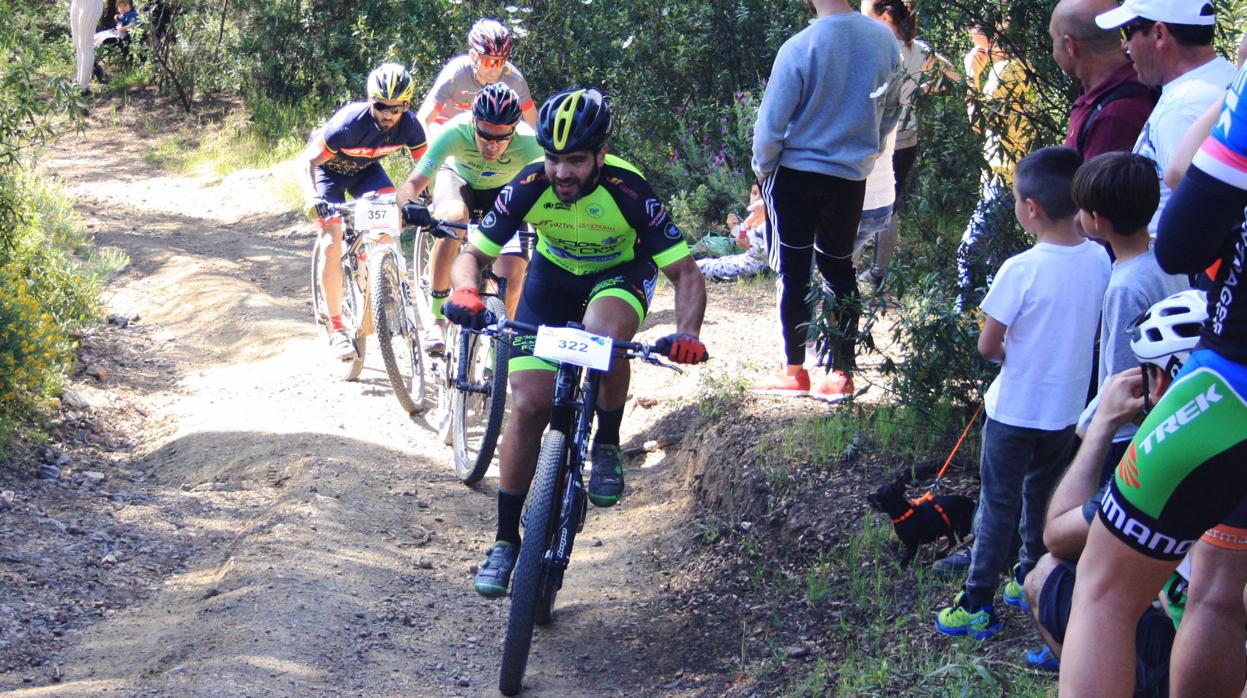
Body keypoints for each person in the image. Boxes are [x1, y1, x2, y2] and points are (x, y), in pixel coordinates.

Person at [439, 89, 708, 598]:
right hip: (552, 278)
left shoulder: (630, 191)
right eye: (554, 158)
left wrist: (689, 332)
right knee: (528, 404)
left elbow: (687, 274)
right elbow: (471, 254)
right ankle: (504, 541)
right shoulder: (529, 184)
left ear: (600, 156)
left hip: (618, 276)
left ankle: (605, 442)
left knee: (606, 340)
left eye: (576, 160)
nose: (562, 172)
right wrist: (466, 290)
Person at [1059, 53, 1247, 696]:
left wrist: (1236, 93)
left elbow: (1184, 230)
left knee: (1105, 589)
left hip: (1231, 388)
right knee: (1219, 589)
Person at [935, 147, 1111, 640]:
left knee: (997, 503)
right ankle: (1029, 575)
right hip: (1065, 411)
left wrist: (1013, 351)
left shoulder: (1020, 269)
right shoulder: (1099, 259)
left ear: (1031, 209)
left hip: (1014, 411)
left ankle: (977, 603)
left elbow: (989, 345)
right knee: (1043, 493)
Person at [1022, 291, 1209, 691]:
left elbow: (1057, 534)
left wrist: (1103, 423)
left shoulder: (1164, 461)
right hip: (1218, 648)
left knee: (1049, 577)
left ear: (1160, 379)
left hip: (1195, 658)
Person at [749, 0, 900, 402]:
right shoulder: (884, 40)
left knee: (794, 271)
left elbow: (770, 128)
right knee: (839, 269)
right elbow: (892, 109)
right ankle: (840, 373)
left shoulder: (801, 46)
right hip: (849, 176)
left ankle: (795, 370)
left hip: (796, 176)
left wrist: (762, 170)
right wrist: (868, 150)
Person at [1071, 152, 1189, 484]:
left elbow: (1124, 374)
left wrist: (1088, 425)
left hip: (1126, 434)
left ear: (1096, 220)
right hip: (1169, 415)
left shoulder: (1126, 287)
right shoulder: (1167, 257)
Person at [397, 83, 542, 352]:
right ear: (474, 122)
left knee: (511, 272)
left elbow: (552, 192)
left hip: (502, 193)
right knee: (453, 218)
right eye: (485, 135)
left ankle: (500, 347)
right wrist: (408, 204)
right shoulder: (454, 131)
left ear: (514, 130)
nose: (492, 145)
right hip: (458, 181)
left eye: (502, 138)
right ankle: (438, 318)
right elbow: (411, 185)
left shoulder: (530, 143)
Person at [303, 63, 429, 361]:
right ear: (371, 101)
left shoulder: (410, 126)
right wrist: (311, 198)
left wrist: (429, 200)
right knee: (332, 240)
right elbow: (309, 162)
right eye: (381, 105)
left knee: (389, 226)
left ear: (406, 106)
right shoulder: (347, 124)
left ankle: (381, 283)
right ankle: (336, 328)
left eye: (395, 108)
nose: (388, 113)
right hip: (328, 175)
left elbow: (426, 167)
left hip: (367, 172)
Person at [1094, 0, 1234, 236]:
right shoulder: (1229, 77)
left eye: (1128, 31)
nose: (1124, 46)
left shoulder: (1183, 106)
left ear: (1159, 34)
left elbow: (1200, 217)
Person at [859, 0, 959, 287]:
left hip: (878, 137)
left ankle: (849, 266)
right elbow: (951, 74)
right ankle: (878, 271)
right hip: (907, 138)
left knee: (858, 199)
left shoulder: (879, 48)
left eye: (868, 15)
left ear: (886, 16)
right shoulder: (919, 49)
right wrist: (924, 88)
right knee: (891, 203)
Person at [1050, 0, 1159, 161]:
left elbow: (1098, 187)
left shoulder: (1114, 117)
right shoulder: (1102, 93)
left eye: (1053, 40)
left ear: (1069, 45)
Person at [416, 18, 537, 139]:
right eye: (488, 62)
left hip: (486, 135)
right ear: (473, 56)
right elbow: (422, 120)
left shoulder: (514, 80)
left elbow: (535, 127)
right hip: (450, 130)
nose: (495, 70)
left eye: (500, 62)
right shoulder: (455, 74)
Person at [696, 182, 771, 282]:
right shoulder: (753, 221)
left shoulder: (769, 223)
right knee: (712, 262)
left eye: (762, 195)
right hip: (748, 260)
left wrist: (747, 223)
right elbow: (742, 241)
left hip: (757, 266)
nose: (756, 198)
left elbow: (764, 252)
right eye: (754, 193)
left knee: (705, 267)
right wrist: (735, 228)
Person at [92, 0, 140, 83]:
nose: (123, 8)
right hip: (117, 34)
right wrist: (117, 17)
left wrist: (124, 28)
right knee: (98, 37)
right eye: (120, 6)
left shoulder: (132, 15)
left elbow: (132, 25)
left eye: (125, 5)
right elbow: (119, 18)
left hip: (125, 37)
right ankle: (93, 61)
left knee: (105, 38)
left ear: (130, 6)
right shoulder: (122, 15)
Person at [70, 0, 105, 95]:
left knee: (85, 46)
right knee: (77, 44)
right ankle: (78, 82)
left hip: (91, 5)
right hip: (77, 3)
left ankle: (83, 88)